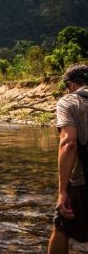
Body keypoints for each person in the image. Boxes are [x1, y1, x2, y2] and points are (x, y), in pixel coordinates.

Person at [48, 63, 88, 253]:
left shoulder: (69, 102)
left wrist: (62, 191)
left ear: (71, 85)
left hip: (82, 180)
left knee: (61, 224)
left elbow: (68, 143)